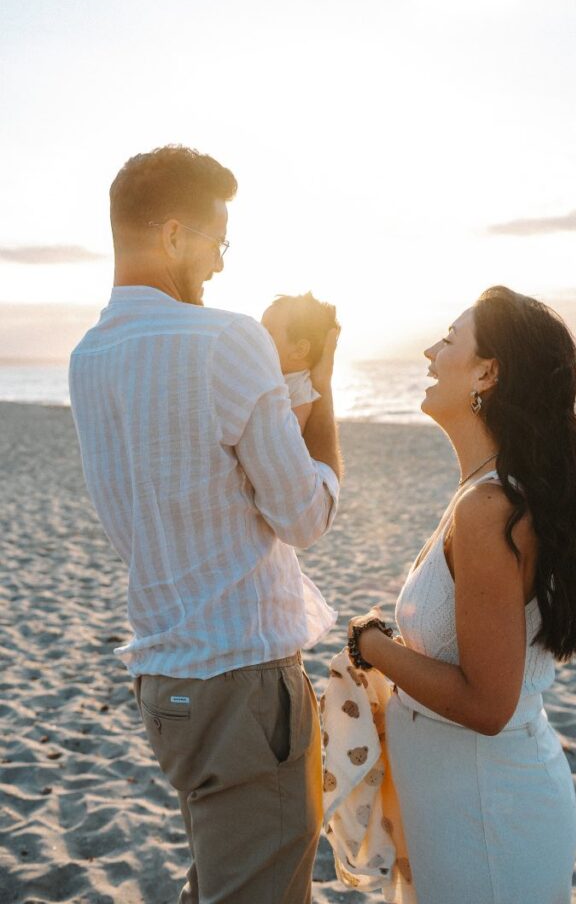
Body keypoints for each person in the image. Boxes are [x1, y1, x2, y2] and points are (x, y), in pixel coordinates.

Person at [69, 145, 342, 904]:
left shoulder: (88, 355)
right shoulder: (224, 339)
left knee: (223, 878)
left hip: (165, 679)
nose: (221, 263)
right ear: (173, 235)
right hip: (242, 683)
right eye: (219, 240)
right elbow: (304, 515)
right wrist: (320, 399)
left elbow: (180, 483)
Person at [346, 285, 576, 904]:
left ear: (487, 371)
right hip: (462, 805)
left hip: (487, 814)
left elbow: (488, 704)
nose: (429, 351)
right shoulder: (486, 492)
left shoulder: (489, 506)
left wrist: (371, 643)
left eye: (448, 339)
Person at [262, 292, 339, 431]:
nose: (259, 336)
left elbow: (289, 437)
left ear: (299, 350)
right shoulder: (270, 373)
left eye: (268, 331)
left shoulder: (299, 389)